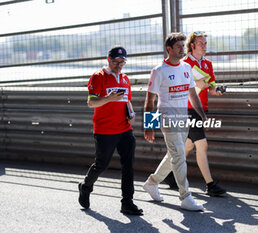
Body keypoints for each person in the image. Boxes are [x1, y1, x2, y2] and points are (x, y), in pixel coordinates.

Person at [142, 32, 207, 211]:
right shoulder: (158, 71)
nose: (182, 50)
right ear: (169, 49)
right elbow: (150, 101)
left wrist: (201, 113)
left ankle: (152, 183)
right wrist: (149, 126)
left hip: (183, 119)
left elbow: (192, 93)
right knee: (179, 156)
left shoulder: (186, 68)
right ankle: (185, 196)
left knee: (173, 155)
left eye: (183, 46)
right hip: (167, 119)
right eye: (178, 47)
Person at [78, 45, 143, 215]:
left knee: (128, 166)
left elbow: (127, 101)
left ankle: (127, 202)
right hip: (105, 130)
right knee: (101, 164)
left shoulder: (125, 79)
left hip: (125, 129)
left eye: (122, 62)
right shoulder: (98, 77)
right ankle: (86, 187)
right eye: (115, 61)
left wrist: (132, 113)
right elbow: (91, 102)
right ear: (108, 60)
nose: (119, 65)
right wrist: (109, 98)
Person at [164, 31, 226, 197]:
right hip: (187, 110)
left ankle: (170, 175)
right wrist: (196, 84)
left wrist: (217, 90)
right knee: (202, 145)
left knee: (189, 145)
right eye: (201, 43)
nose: (204, 46)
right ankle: (210, 184)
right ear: (192, 45)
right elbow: (177, 87)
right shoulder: (184, 63)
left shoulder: (208, 64)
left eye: (206, 43)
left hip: (201, 109)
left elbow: (211, 87)